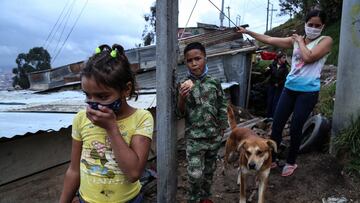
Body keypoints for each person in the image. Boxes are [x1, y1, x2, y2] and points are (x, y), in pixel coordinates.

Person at [237, 9, 332, 177]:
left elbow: (309, 57)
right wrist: (248, 32)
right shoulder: (296, 40)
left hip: (308, 92)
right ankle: (271, 159)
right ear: (305, 24)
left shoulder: (326, 41)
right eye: (310, 24)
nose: (313, 28)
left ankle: (291, 161)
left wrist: (299, 41)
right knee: (277, 125)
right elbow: (269, 39)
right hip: (289, 89)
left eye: (317, 25)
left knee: (296, 127)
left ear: (323, 26)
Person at [59, 44, 154, 203]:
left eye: (102, 97)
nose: (93, 104)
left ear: (126, 90)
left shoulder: (142, 118)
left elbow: (133, 173)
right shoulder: (81, 119)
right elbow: (74, 170)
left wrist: (111, 128)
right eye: (88, 96)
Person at [177, 42, 228, 203]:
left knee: (209, 171)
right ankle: (193, 199)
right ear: (185, 62)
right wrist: (181, 98)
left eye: (197, 58)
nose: (194, 63)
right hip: (194, 138)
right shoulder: (183, 84)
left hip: (213, 136)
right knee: (195, 174)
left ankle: (205, 197)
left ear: (205, 58)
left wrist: (222, 128)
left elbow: (222, 105)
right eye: (189, 60)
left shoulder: (214, 82)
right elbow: (179, 113)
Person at [264, 51, 289, 120]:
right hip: (271, 85)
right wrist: (266, 70)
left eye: (285, 58)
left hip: (279, 87)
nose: (285, 59)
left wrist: (279, 83)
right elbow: (266, 74)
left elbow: (286, 79)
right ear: (279, 58)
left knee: (276, 101)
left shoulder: (285, 68)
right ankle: (268, 116)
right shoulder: (272, 65)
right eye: (283, 58)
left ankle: (273, 116)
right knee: (270, 100)